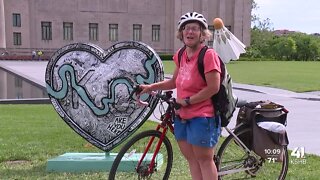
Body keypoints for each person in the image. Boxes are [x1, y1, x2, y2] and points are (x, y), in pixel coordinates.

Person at [139, 12, 222, 180]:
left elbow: (213, 87)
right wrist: (150, 87)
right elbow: (175, 82)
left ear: (202, 35)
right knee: (192, 159)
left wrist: (187, 101)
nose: (189, 32)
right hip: (182, 115)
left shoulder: (208, 55)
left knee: (204, 160)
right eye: (186, 28)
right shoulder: (181, 54)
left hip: (202, 116)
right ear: (181, 33)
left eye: (194, 29)